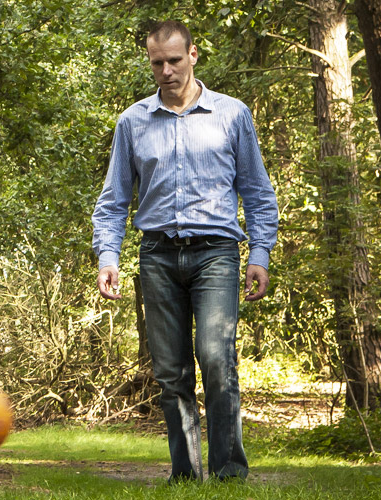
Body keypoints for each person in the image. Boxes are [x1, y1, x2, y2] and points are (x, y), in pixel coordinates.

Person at [92, 20, 278, 483]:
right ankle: (185, 475)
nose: (167, 71)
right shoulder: (133, 121)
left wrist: (260, 253)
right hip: (157, 254)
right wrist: (108, 257)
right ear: (149, 63)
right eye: (158, 63)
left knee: (216, 358)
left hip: (216, 252)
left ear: (193, 55)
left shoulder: (232, 115)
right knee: (171, 371)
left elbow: (257, 191)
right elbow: (113, 201)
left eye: (175, 60)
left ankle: (229, 471)